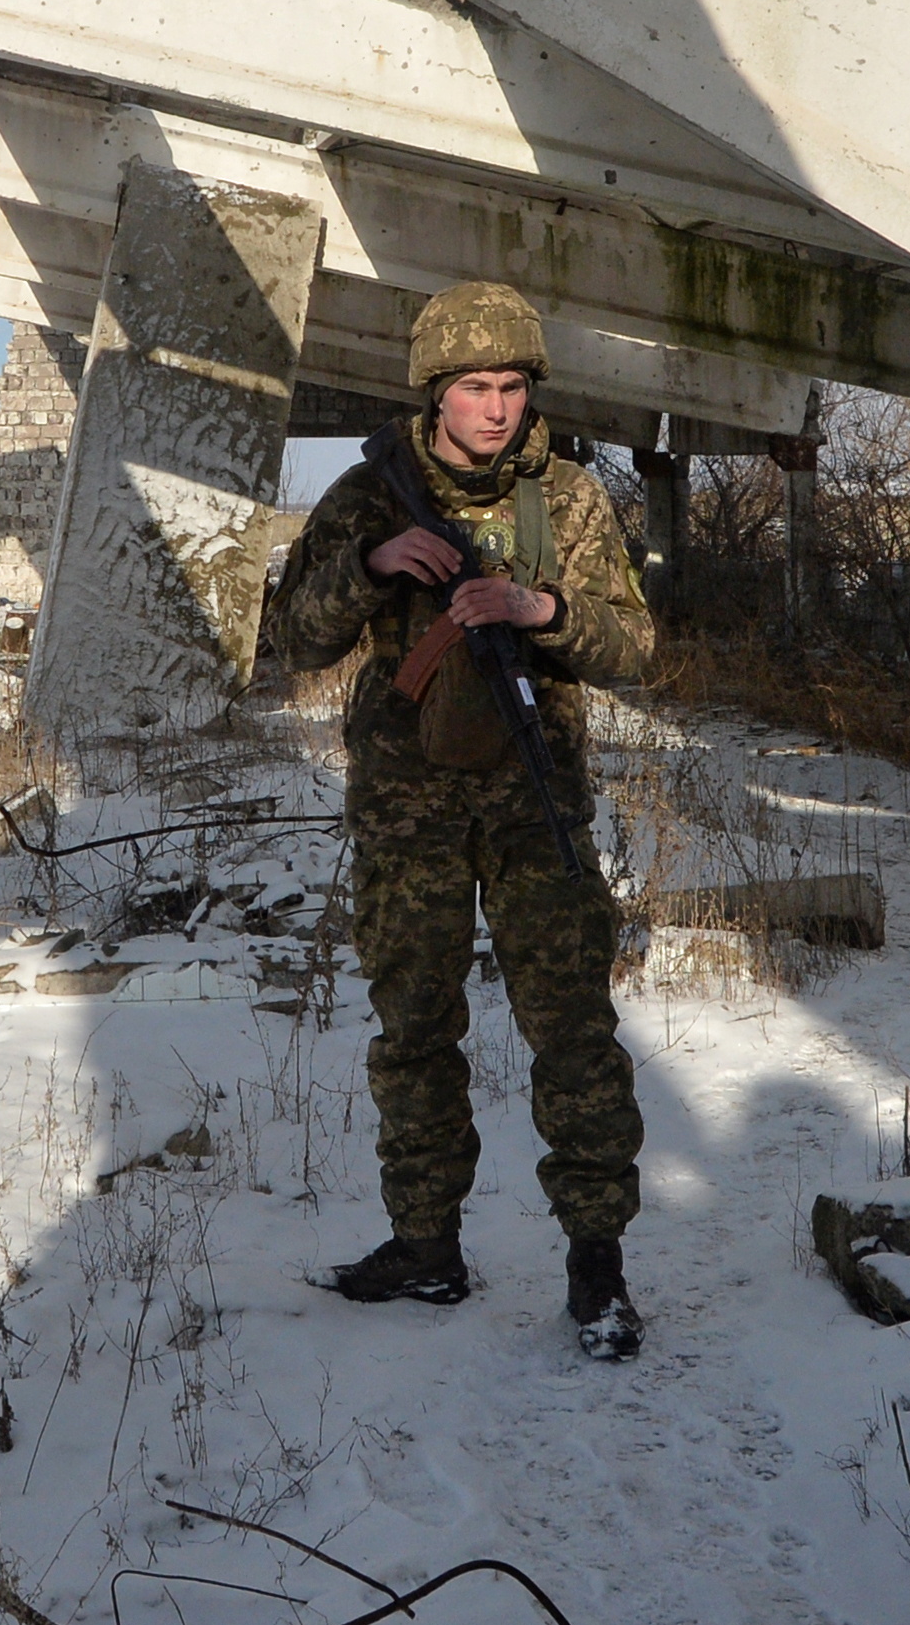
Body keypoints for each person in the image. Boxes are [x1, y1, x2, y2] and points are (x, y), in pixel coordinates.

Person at [264, 282, 660, 1358]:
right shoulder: (365, 498)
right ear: (434, 392)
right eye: (476, 388)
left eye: (514, 386)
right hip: (408, 815)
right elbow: (291, 641)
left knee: (572, 1031)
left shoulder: (571, 501)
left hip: (537, 804)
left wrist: (543, 610)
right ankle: (426, 1244)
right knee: (415, 1032)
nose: (497, 408)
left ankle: (597, 1267)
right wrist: (371, 566)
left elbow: (637, 648)